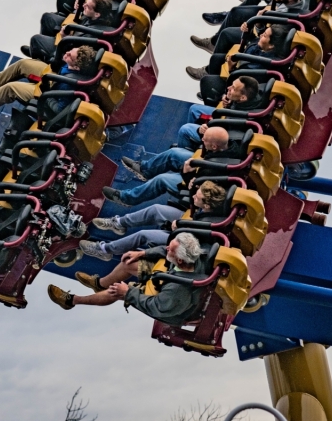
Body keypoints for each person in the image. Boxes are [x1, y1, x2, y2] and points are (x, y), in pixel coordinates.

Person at [47, 232, 206, 327]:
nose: (166, 249)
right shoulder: (192, 256)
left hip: (164, 306)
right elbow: (165, 252)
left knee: (119, 291)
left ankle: (71, 301)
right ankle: (99, 284)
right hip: (167, 276)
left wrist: (129, 292)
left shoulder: (177, 292)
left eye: (171, 250)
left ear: (179, 260)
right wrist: (142, 254)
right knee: (128, 263)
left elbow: (156, 307)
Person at [78, 181, 227, 260]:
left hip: (187, 241)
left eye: (197, 197)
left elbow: (197, 240)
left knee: (143, 234)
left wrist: (180, 228)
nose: (194, 196)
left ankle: (105, 250)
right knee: (156, 209)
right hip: (189, 221)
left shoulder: (211, 222)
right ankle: (119, 223)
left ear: (206, 205)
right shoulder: (209, 207)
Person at [100, 127, 233, 207]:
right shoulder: (231, 147)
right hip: (203, 165)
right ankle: (145, 170)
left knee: (161, 180)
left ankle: (126, 198)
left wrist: (186, 173)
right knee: (173, 153)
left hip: (200, 183)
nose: (202, 140)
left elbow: (204, 185)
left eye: (205, 140)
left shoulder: (217, 167)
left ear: (214, 147)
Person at [0, 45, 97, 114]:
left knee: (12, 88)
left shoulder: (69, 85)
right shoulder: (70, 64)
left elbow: (59, 108)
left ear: (77, 68)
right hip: (53, 74)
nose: (66, 53)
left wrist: (47, 95)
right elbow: (62, 61)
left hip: (46, 92)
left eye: (69, 56)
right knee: (24, 64)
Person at [191, 0, 308, 56]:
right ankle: (214, 41)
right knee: (235, 12)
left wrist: (256, 25)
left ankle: (210, 68)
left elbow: (267, 35)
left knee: (226, 34)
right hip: (269, 12)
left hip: (264, 34)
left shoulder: (286, 17)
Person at [175, 76, 261, 150]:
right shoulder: (251, 98)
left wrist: (206, 129)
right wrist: (228, 98)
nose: (228, 88)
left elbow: (223, 134)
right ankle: (191, 143)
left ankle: (183, 158)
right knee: (195, 109)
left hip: (222, 134)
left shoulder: (240, 117)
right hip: (225, 116)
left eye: (233, 88)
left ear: (242, 98)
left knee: (185, 130)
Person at [28, 0, 116, 60]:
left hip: (65, 54)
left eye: (87, 6)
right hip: (73, 36)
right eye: (85, 3)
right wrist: (79, 9)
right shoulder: (97, 17)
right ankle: (37, 49)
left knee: (36, 40)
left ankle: (41, 59)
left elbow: (73, 51)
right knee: (47, 18)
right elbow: (85, 17)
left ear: (97, 14)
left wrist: (65, 37)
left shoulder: (93, 34)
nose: (84, 5)